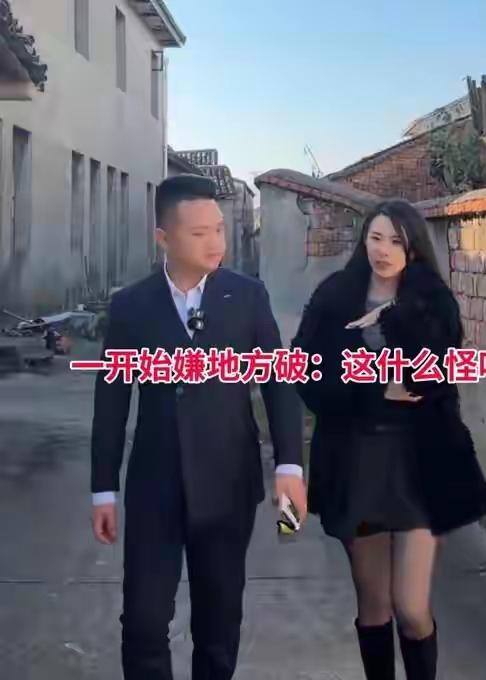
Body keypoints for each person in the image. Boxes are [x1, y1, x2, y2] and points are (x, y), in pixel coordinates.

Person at [90, 173, 307, 680]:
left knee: (218, 621)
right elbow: (112, 401)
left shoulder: (247, 297)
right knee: (143, 622)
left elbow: (278, 383)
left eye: (219, 229)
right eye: (199, 233)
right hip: (155, 488)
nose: (215, 243)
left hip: (228, 483)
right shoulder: (131, 307)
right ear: (163, 237)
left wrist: (290, 467)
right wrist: (103, 489)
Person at [291, 199, 486, 680]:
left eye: (396, 241)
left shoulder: (432, 301)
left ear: (413, 247)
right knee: (374, 604)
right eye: (376, 238)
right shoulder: (335, 297)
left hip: (419, 465)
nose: (383, 250)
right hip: (357, 460)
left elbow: (438, 373)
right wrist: (375, 388)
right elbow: (306, 371)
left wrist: (396, 329)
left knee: (411, 606)